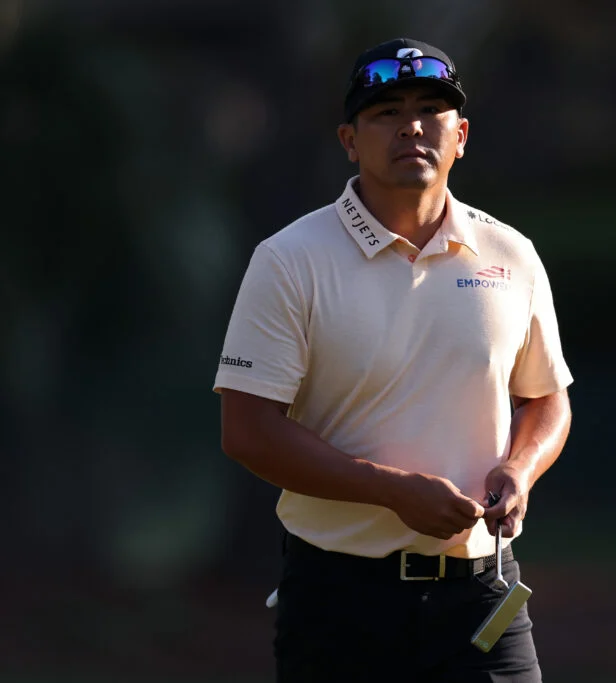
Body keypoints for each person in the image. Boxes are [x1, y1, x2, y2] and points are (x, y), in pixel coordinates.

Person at [213, 37, 573, 682]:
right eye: (385, 112)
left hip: (483, 593)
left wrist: (521, 469)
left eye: (430, 110)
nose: (411, 125)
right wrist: (390, 492)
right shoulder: (290, 259)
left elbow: (546, 397)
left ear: (459, 135)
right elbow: (248, 431)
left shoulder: (512, 253)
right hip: (339, 597)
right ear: (349, 139)